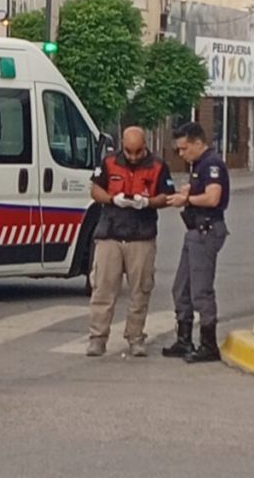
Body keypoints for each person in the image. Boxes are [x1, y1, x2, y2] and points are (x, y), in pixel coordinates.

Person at [86, 126, 175, 358]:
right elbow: (95, 190)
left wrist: (147, 202)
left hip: (141, 236)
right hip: (110, 235)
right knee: (102, 290)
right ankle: (97, 339)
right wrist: (112, 199)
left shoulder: (157, 166)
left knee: (140, 291)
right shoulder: (108, 162)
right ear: (122, 146)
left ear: (145, 145)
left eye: (138, 151)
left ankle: (135, 338)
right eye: (129, 151)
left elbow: (167, 197)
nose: (133, 157)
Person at [161, 122, 230, 364]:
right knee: (181, 287)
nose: (181, 154)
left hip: (206, 230)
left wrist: (186, 199)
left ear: (198, 143)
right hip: (195, 231)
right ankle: (184, 338)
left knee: (201, 290)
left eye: (184, 148)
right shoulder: (199, 164)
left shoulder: (211, 164)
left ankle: (209, 344)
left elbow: (213, 198)